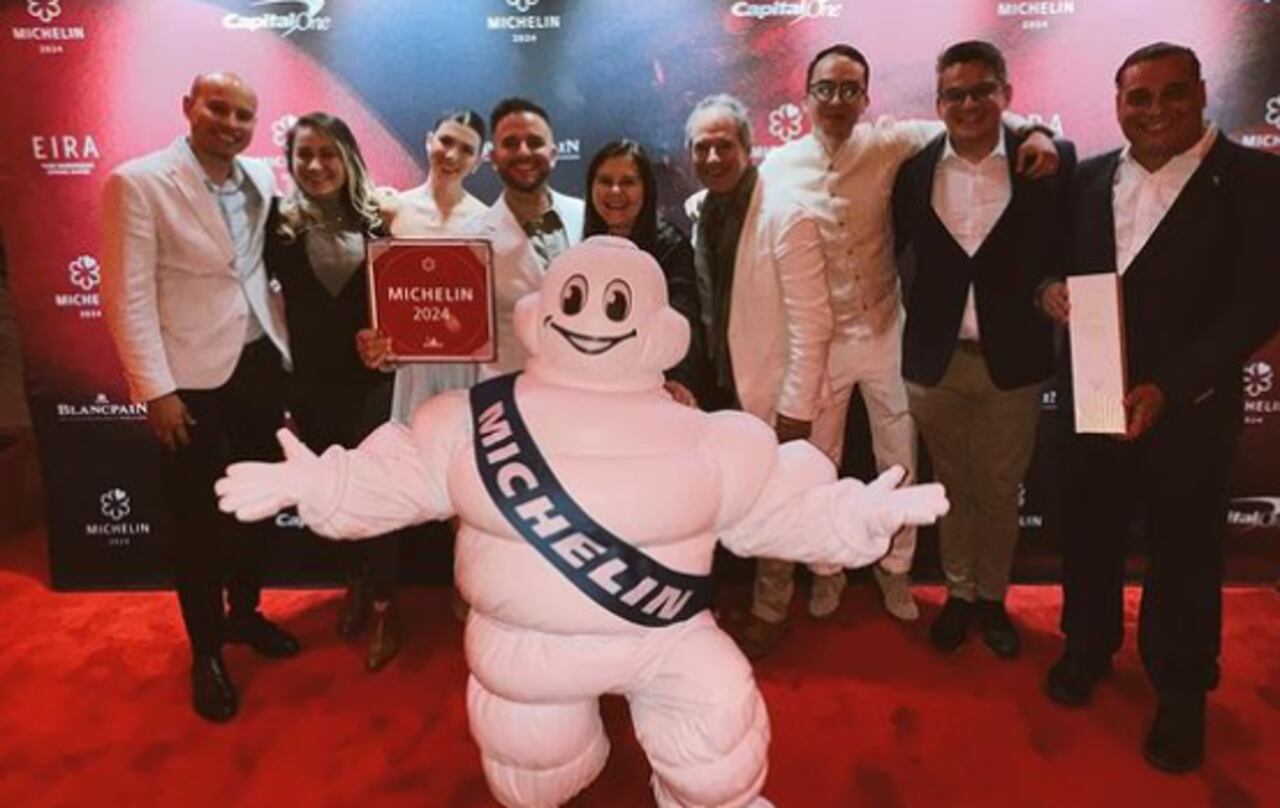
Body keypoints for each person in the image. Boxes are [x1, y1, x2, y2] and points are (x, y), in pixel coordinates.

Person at [216, 236, 949, 808]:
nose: (595, 318)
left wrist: (857, 513)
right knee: (533, 767)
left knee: (718, 735)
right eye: (577, 298)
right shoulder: (477, 422)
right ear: (541, 313)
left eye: (619, 306)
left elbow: (775, 507)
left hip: (667, 639)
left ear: (661, 332)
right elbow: (401, 471)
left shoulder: (704, 434)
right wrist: (318, 483)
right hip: (530, 650)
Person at [1039, 42, 1280, 773]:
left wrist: (1171, 386)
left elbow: (1260, 301)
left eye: (1172, 94)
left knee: (1184, 554)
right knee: (1088, 533)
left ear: (1201, 94)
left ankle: (1181, 691)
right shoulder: (1083, 180)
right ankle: (1087, 646)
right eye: (1137, 98)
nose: (1154, 111)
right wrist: (1047, 292)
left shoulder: (1255, 179)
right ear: (1117, 103)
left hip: (1191, 409)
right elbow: (1054, 267)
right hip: (1091, 399)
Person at [759, 44, 1061, 625]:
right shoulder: (777, 167)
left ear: (867, 98)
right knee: (820, 464)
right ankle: (828, 570)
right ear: (806, 97)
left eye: (851, 89)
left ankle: (895, 570)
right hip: (820, 343)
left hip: (885, 330)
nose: (838, 100)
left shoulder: (892, 141)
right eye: (826, 88)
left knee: (899, 461)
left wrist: (1039, 133)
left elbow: (982, 117)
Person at [100, 72, 298, 723]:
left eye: (245, 114)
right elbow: (126, 296)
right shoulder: (139, 182)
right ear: (189, 106)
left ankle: (244, 615)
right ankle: (206, 651)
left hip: (260, 367)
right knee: (196, 523)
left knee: (257, 509)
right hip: (188, 384)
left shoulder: (263, 179)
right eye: (219, 108)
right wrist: (156, 391)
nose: (232, 123)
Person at [891, 41, 1075, 659]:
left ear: (1006, 94)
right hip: (935, 364)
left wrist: (1040, 133)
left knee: (998, 491)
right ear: (939, 102)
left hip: (1013, 365)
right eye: (955, 94)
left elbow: (1063, 251)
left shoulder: (1046, 161)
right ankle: (960, 595)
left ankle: (993, 598)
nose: (968, 104)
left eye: (981, 91)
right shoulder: (913, 172)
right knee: (952, 487)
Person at [683, 95, 833, 659]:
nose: (714, 155)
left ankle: (772, 606)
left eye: (725, 145)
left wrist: (795, 410)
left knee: (774, 506)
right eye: (703, 146)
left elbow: (813, 321)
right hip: (717, 390)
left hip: (770, 395)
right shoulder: (700, 210)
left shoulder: (785, 214)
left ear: (748, 149)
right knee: (717, 505)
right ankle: (717, 600)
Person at [351, 110, 491, 661]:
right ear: (429, 141)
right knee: (394, 493)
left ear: (478, 161)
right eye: (446, 142)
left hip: (465, 373)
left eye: (465, 148)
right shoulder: (390, 209)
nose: (451, 155)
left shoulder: (487, 221)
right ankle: (383, 610)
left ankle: (472, 598)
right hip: (406, 373)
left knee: (466, 497)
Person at [263, 112, 398, 670]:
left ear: (349, 159)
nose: (316, 165)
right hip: (311, 389)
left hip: (374, 387)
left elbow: (413, 307)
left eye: (328, 153)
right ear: (290, 163)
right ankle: (356, 583)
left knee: (380, 501)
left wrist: (395, 344)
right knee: (331, 499)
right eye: (304, 155)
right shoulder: (278, 229)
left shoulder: (384, 224)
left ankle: (389, 606)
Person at [583, 138, 707, 403]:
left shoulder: (671, 246)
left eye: (628, 182)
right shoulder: (582, 246)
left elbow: (685, 318)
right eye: (605, 181)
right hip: (597, 392)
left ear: (646, 189)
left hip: (653, 391)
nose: (615, 191)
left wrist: (679, 380)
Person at [466, 97, 584, 376]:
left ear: (554, 154)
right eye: (509, 143)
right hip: (510, 400)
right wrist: (391, 348)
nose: (523, 152)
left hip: (589, 394)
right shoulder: (469, 239)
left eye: (534, 142)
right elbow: (444, 324)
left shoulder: (591, 217)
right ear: (492, 158)